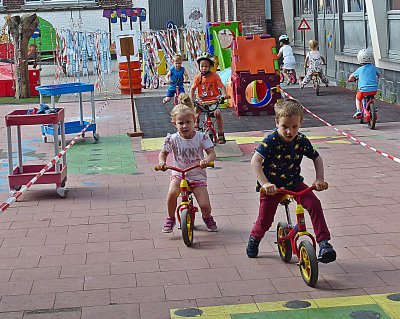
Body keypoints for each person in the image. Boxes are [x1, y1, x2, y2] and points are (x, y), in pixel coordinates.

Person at [246, 98, 336, 264]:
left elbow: (316, 158)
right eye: (285, 127)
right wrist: (265, 184)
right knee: (265, 220)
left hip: (294, 183)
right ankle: (255, 238)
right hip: (272, 186)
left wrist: (319, 179)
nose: (289, 131)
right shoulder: (271, 141)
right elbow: (255, 161)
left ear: (300, 124)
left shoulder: (300, 140)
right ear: (276, 123)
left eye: (294, 126)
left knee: (314, 204)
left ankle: (324, 243)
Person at [157, 104, 218, 233]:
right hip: (179, 173)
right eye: (181, 123)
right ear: (174, 123)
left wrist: (207, 160)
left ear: (194, 121)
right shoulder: (172, 139)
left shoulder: (202, 137)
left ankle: (207, 217)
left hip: (197, 174)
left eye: (188, 122)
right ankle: (170, 218)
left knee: (205, 205)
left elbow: (212, 153)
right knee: (172, 194)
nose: (185, 126)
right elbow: (163, 153)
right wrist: (162, 163)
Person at [190, 52, 227, 144]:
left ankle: (221, 134)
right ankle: (196, 127)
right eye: (202, 66)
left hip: (213, 100)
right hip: (201, 101)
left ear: (210, 66)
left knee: (217, 113)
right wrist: (191, 98)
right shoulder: (198, 77)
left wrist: (224, 94)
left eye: (206, 66)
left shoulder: (214, 76)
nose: (203, 68)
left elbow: (221, 86)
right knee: (195, 114)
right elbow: (193, 89)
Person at [348, 48, 381, 119]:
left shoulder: (360, 69)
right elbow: (379, 75)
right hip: (373, 89)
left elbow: (351, 77)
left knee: (358, 98)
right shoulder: (374, 68)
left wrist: (350, 80)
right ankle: (374, 106)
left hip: (363, 90)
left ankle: (359, 110)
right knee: (372, 97)